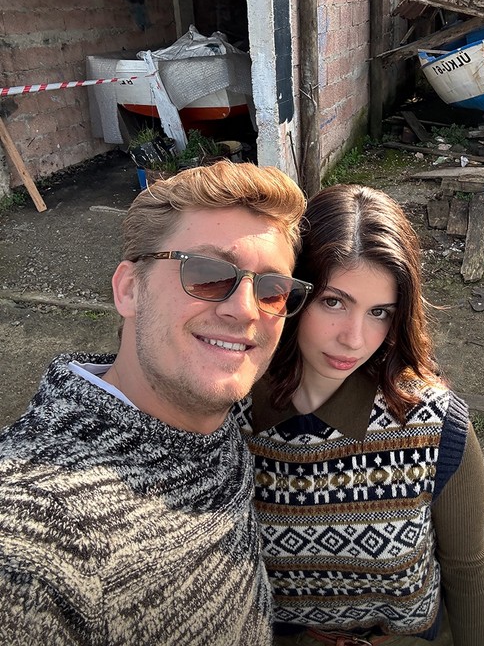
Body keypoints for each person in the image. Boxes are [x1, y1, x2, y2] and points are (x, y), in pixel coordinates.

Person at [0, 160, 313, 645]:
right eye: (207, 274)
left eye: (272, 290)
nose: (245, 310)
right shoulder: (34, 534)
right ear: (129, 289)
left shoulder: (212, 420)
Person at [234, 184, 484, 646]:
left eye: (379, 312)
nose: (354, 339)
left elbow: (467, 568)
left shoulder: (435, 426)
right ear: (290, 292)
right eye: (333, 302)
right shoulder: (230, 415)